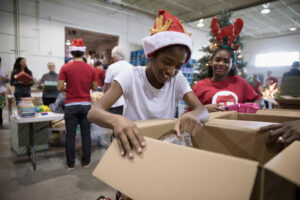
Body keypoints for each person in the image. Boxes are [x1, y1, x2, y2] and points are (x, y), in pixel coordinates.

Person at [88, 9, 209, 160]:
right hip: (133, 146)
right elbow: (94, 113)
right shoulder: (130, 76)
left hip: (163, 147)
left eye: (178, 66)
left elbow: (203, 111)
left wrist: (192, 114)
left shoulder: (177, 80)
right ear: (152, 55)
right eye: (167, 62)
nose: (171, 72)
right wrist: (116, 120)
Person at [192, 17, 261, 113]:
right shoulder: (199, 86)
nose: (221, 64)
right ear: (211, 62)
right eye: (217, 60)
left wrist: (249, 108)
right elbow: (190, 113)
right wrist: (204, 109)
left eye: (226, 61)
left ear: (232, 65)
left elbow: (257, 100)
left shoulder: (240, 83)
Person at [57, 38, 98, 170]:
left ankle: (70, 164)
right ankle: (86, 162)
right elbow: (95, 87)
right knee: (86, 135)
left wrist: (68, 89)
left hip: (70, 105)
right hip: (86, 105)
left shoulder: (65, 67)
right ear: (83, 53)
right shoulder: (91, 69)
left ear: (71, 53)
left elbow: (59, 87)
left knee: (70, 135)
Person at [103, 46, 133, 115]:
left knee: (114, 124)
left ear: (114, 57)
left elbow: (106, 86)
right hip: (128, 103)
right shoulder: (131, 67)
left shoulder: (112, 67)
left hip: (115, 102)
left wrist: (104, 99)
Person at [0, 57, 9, 129]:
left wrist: (5, 79)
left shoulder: (3, 69)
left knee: (1, 108)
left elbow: (8, 80)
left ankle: (0, 124)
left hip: (1, 92)